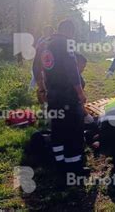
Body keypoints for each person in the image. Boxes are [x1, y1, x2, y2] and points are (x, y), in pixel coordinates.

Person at [37, 19, 89, 178]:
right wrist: (80, 93)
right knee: (74, 130)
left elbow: (36, 68)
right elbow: (72, 70)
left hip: (52, 95)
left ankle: (60, 163)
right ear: (70, 31)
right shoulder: (67, 44)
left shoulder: (44, 44)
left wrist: (42, 88)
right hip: (67, 96)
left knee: (58, 129)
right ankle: (74, 169)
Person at [32, 26, 55, 102]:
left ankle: (44, 101)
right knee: (43, 87)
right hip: (41, 67)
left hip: (44, 67)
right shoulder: (42, 42)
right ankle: (43, 101)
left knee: (44, 86)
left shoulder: (45, 41)